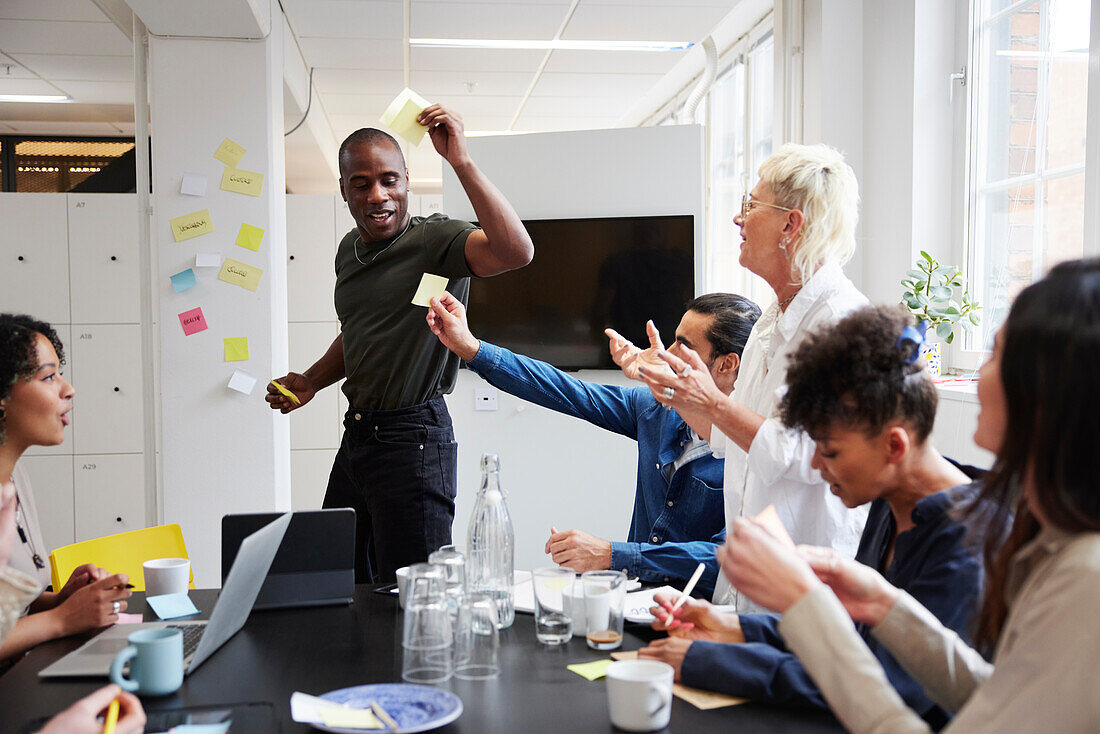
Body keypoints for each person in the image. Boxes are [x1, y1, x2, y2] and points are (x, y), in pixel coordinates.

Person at [720, 258, 1100, 733]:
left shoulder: (1086, 577)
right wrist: (885, 605)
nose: (978, 373)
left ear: (1050, 391)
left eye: (997, 353)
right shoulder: (1054, 541)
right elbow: (998, 696)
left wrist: (804, 605)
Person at [640, 305, 990, 729]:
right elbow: (851, 640)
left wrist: (716, 661)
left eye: (831, 452)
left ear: (894, 446)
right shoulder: (889, 502)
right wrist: (736, 627)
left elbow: (883, 685)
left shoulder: (967, 548)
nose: (819, 469)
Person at [267, 106, 533, 584]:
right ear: (344, 188)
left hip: (414, 438)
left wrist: (462, 162)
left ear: (408, 179)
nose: (378, 195)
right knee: (340, 578)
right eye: (362, 183)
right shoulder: (349, 250)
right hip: (359, 436)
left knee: (414, 593)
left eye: (390, 180)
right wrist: (311, 380)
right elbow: (360, 331)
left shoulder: (435, 239)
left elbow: (516, 251)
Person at [634, 143, 870, 609]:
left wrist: (711, 399)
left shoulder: (841, 323)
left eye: (751, 205)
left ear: (791, 224)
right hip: (750, 573)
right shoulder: (770, 318)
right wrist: (674, 389)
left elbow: (803, 454)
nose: (738, 220)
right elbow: (726, 436)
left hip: (804, 583)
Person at [427, 291, 761, 594]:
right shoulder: (653, 410)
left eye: (683, 346)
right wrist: (471, 348)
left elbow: (724, 558)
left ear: (726, 364)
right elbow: (564, 390)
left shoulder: (754, 450)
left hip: (703, 616)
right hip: (632, 601)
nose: (666, 354)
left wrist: (610, 555)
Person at [0, 314, 145, 733]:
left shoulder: (16, 477)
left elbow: (8, 610)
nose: (68, 389)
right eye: (48, 378)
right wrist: (63, 620)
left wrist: (61, 600)